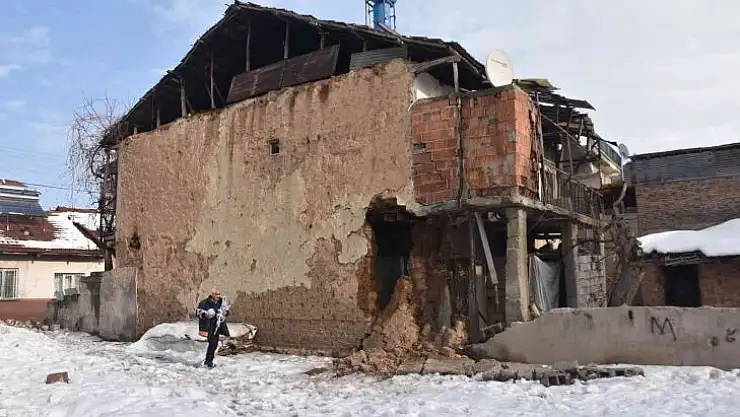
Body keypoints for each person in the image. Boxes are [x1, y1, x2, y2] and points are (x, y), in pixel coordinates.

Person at [196, 288, 231, 368]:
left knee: (214, 344)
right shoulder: (204, 303)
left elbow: (226, 311)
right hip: (209, 326)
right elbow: (198, 313)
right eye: (216, 294)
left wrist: (224, 313)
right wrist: (206, 314)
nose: (218, 296)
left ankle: (209, 361)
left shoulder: (221, 302)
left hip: (218, 326)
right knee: (212, 343)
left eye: (219, 294)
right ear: (212, 294)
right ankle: (208, 361)